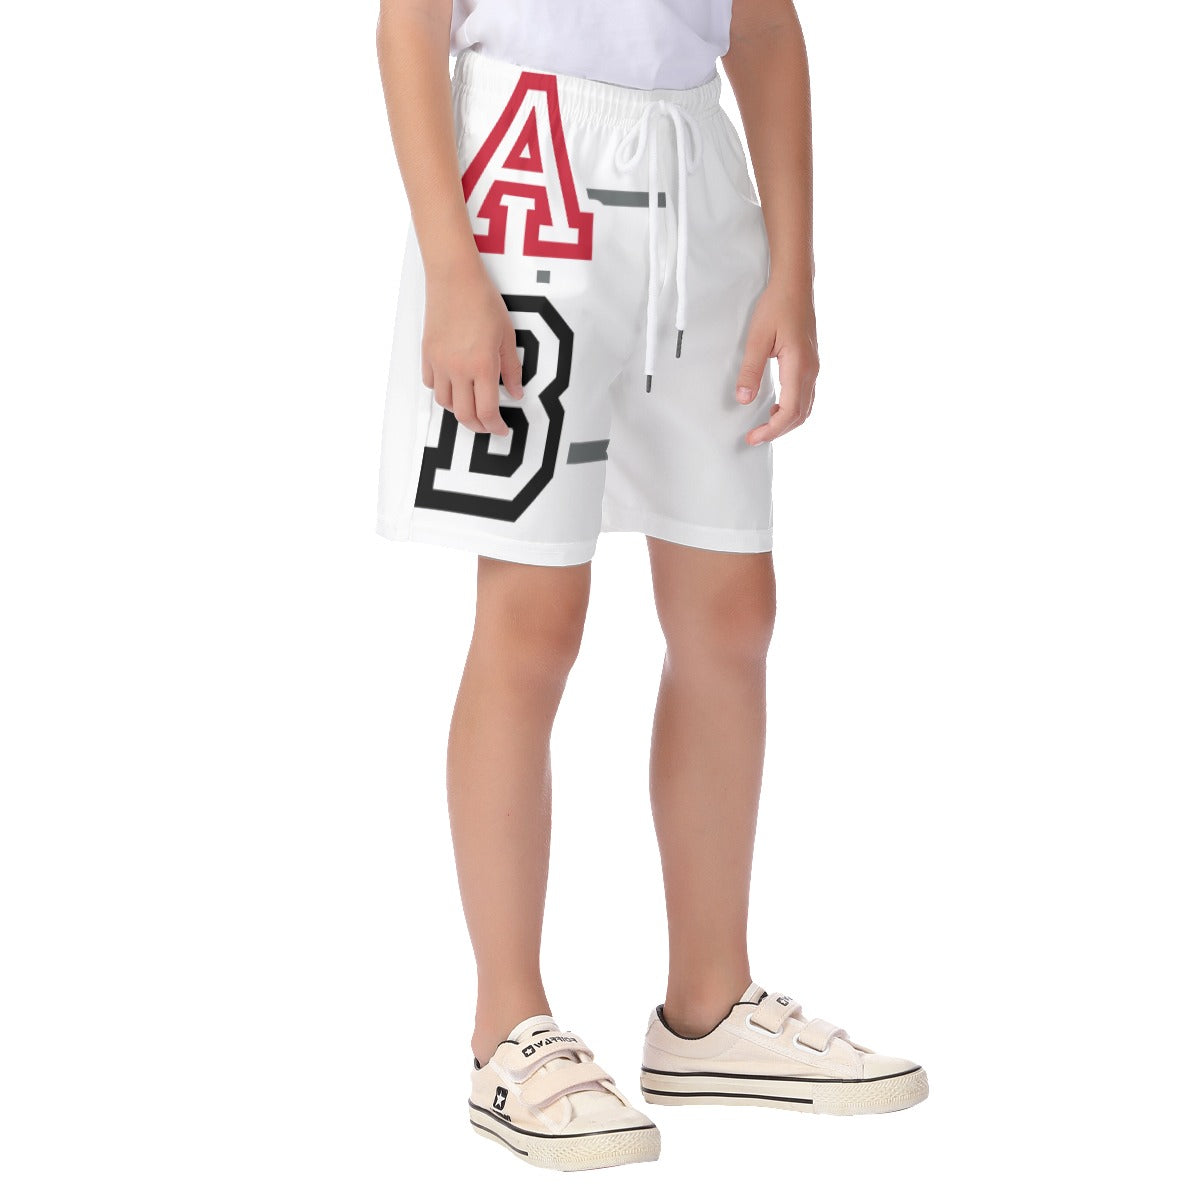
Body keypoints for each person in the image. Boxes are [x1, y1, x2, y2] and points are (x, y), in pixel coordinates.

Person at [376, 0, 927, 1170]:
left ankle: (707, 1006)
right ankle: (508, 1029)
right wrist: (450, 268)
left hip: (698, 181)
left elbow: (762, 30)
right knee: (535, 613)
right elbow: (409, 25)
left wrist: (792, 271)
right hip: (526, 171)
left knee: (732, 607)